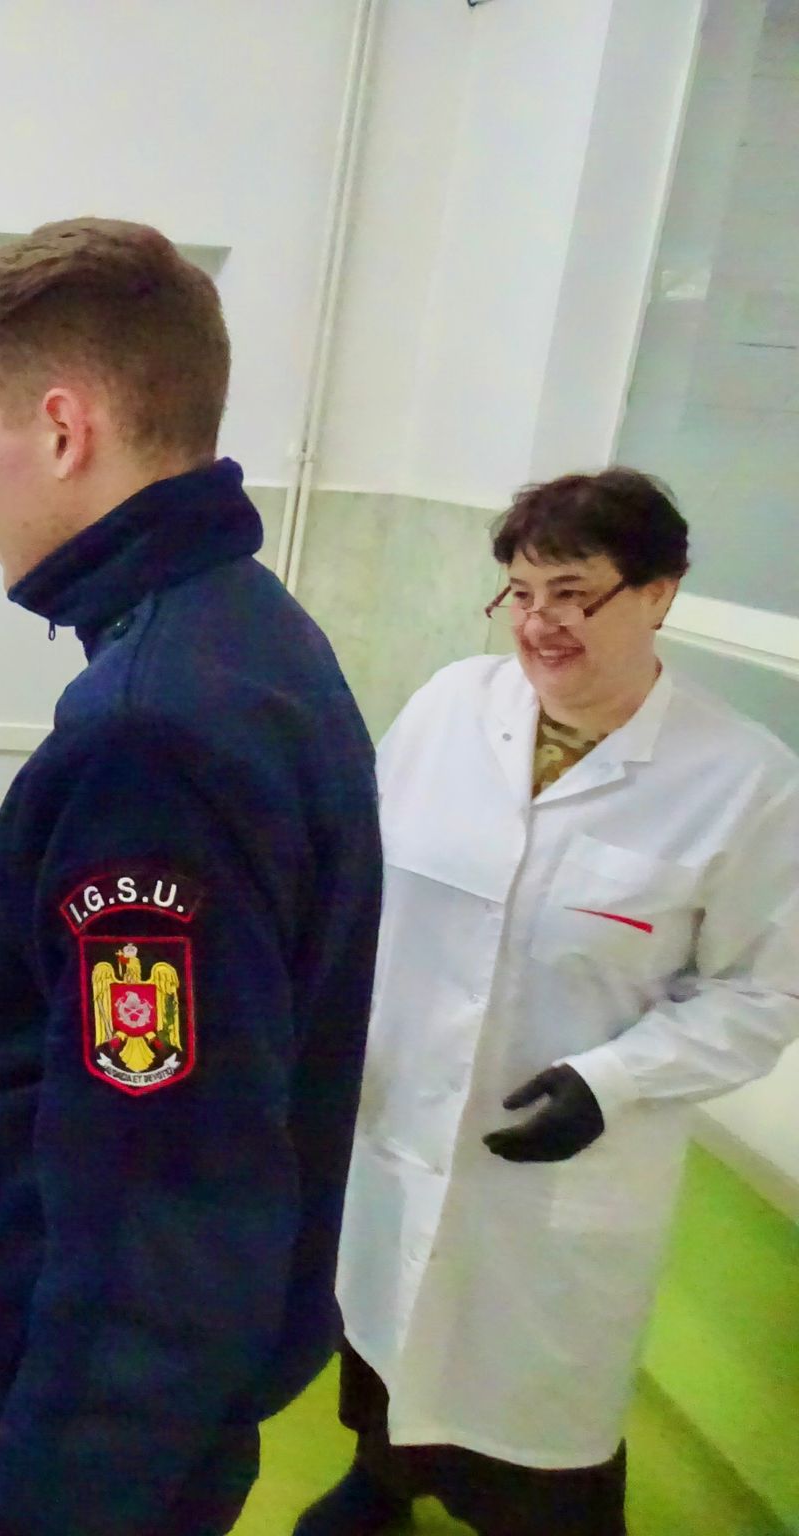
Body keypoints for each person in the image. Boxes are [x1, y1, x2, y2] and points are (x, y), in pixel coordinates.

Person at [0, 218, 383, 1534]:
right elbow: (181, 1067)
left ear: (61, 429)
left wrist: (24, 1513)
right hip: (150, 1419)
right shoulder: (247, 638)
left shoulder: (151, 734)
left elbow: (162, 1204)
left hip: (86, 1453)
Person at [296, 469, 799, 1536]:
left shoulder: (746, 781)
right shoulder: (449, 706)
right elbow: (358, 880)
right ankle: (381, 1479)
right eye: (520, 594)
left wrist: (610, 1081)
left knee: (538, 1433)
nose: (537, 624)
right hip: (399, 1125)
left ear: (658, 593)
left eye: (572, 594)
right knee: (384, 1337)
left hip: (563, 1175)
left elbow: (762, 992)